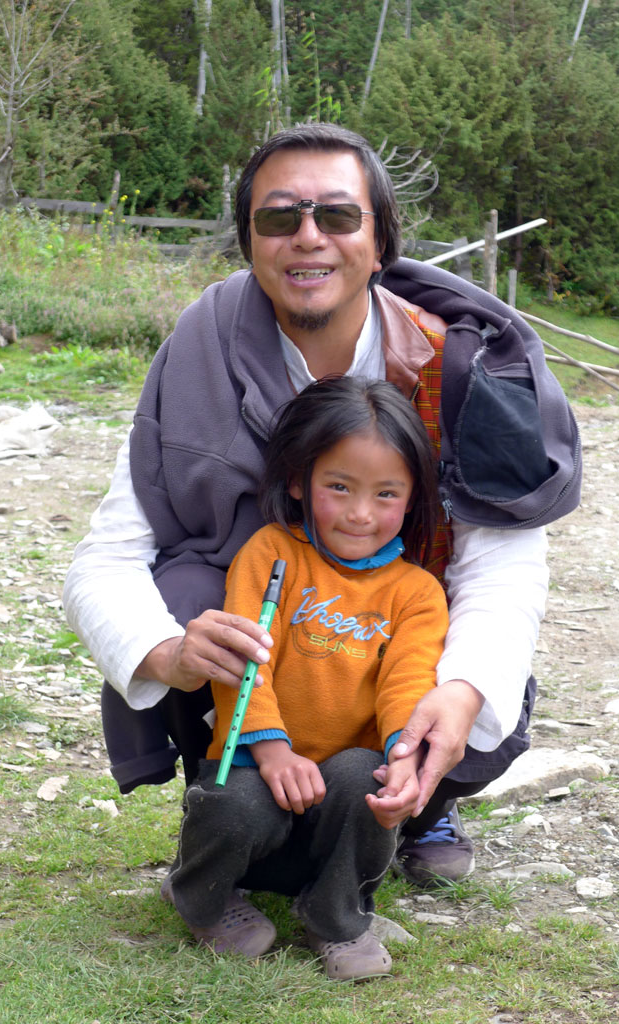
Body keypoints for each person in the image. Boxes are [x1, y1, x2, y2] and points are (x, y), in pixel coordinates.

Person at [63, 122, 581, 891]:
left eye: (337, 215)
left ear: (380, 243)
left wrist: (463, 689)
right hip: (271, 637)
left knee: (468, 644)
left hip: (394, 626)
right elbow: (106, 560)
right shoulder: (196, 351)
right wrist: (170, 655)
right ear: (249, 241)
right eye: (279, 217)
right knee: (184, 596)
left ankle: (426, 799)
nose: (308, 237)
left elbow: (505, 564)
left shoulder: (460, 364)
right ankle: (231, 801)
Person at [166, 376, 449, 980]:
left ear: (411, 498)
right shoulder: (271, 553)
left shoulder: (417, 592)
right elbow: (244, 662)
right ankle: (201, 895)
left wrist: (405, 757)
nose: (359, 513)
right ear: (299, 480)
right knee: (232, 803)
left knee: (368, 780)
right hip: (257, 770)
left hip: (338, 794)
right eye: (338, 487)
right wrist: (271, 751)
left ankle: (336, 916)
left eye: (386, 494)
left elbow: (407, 681)